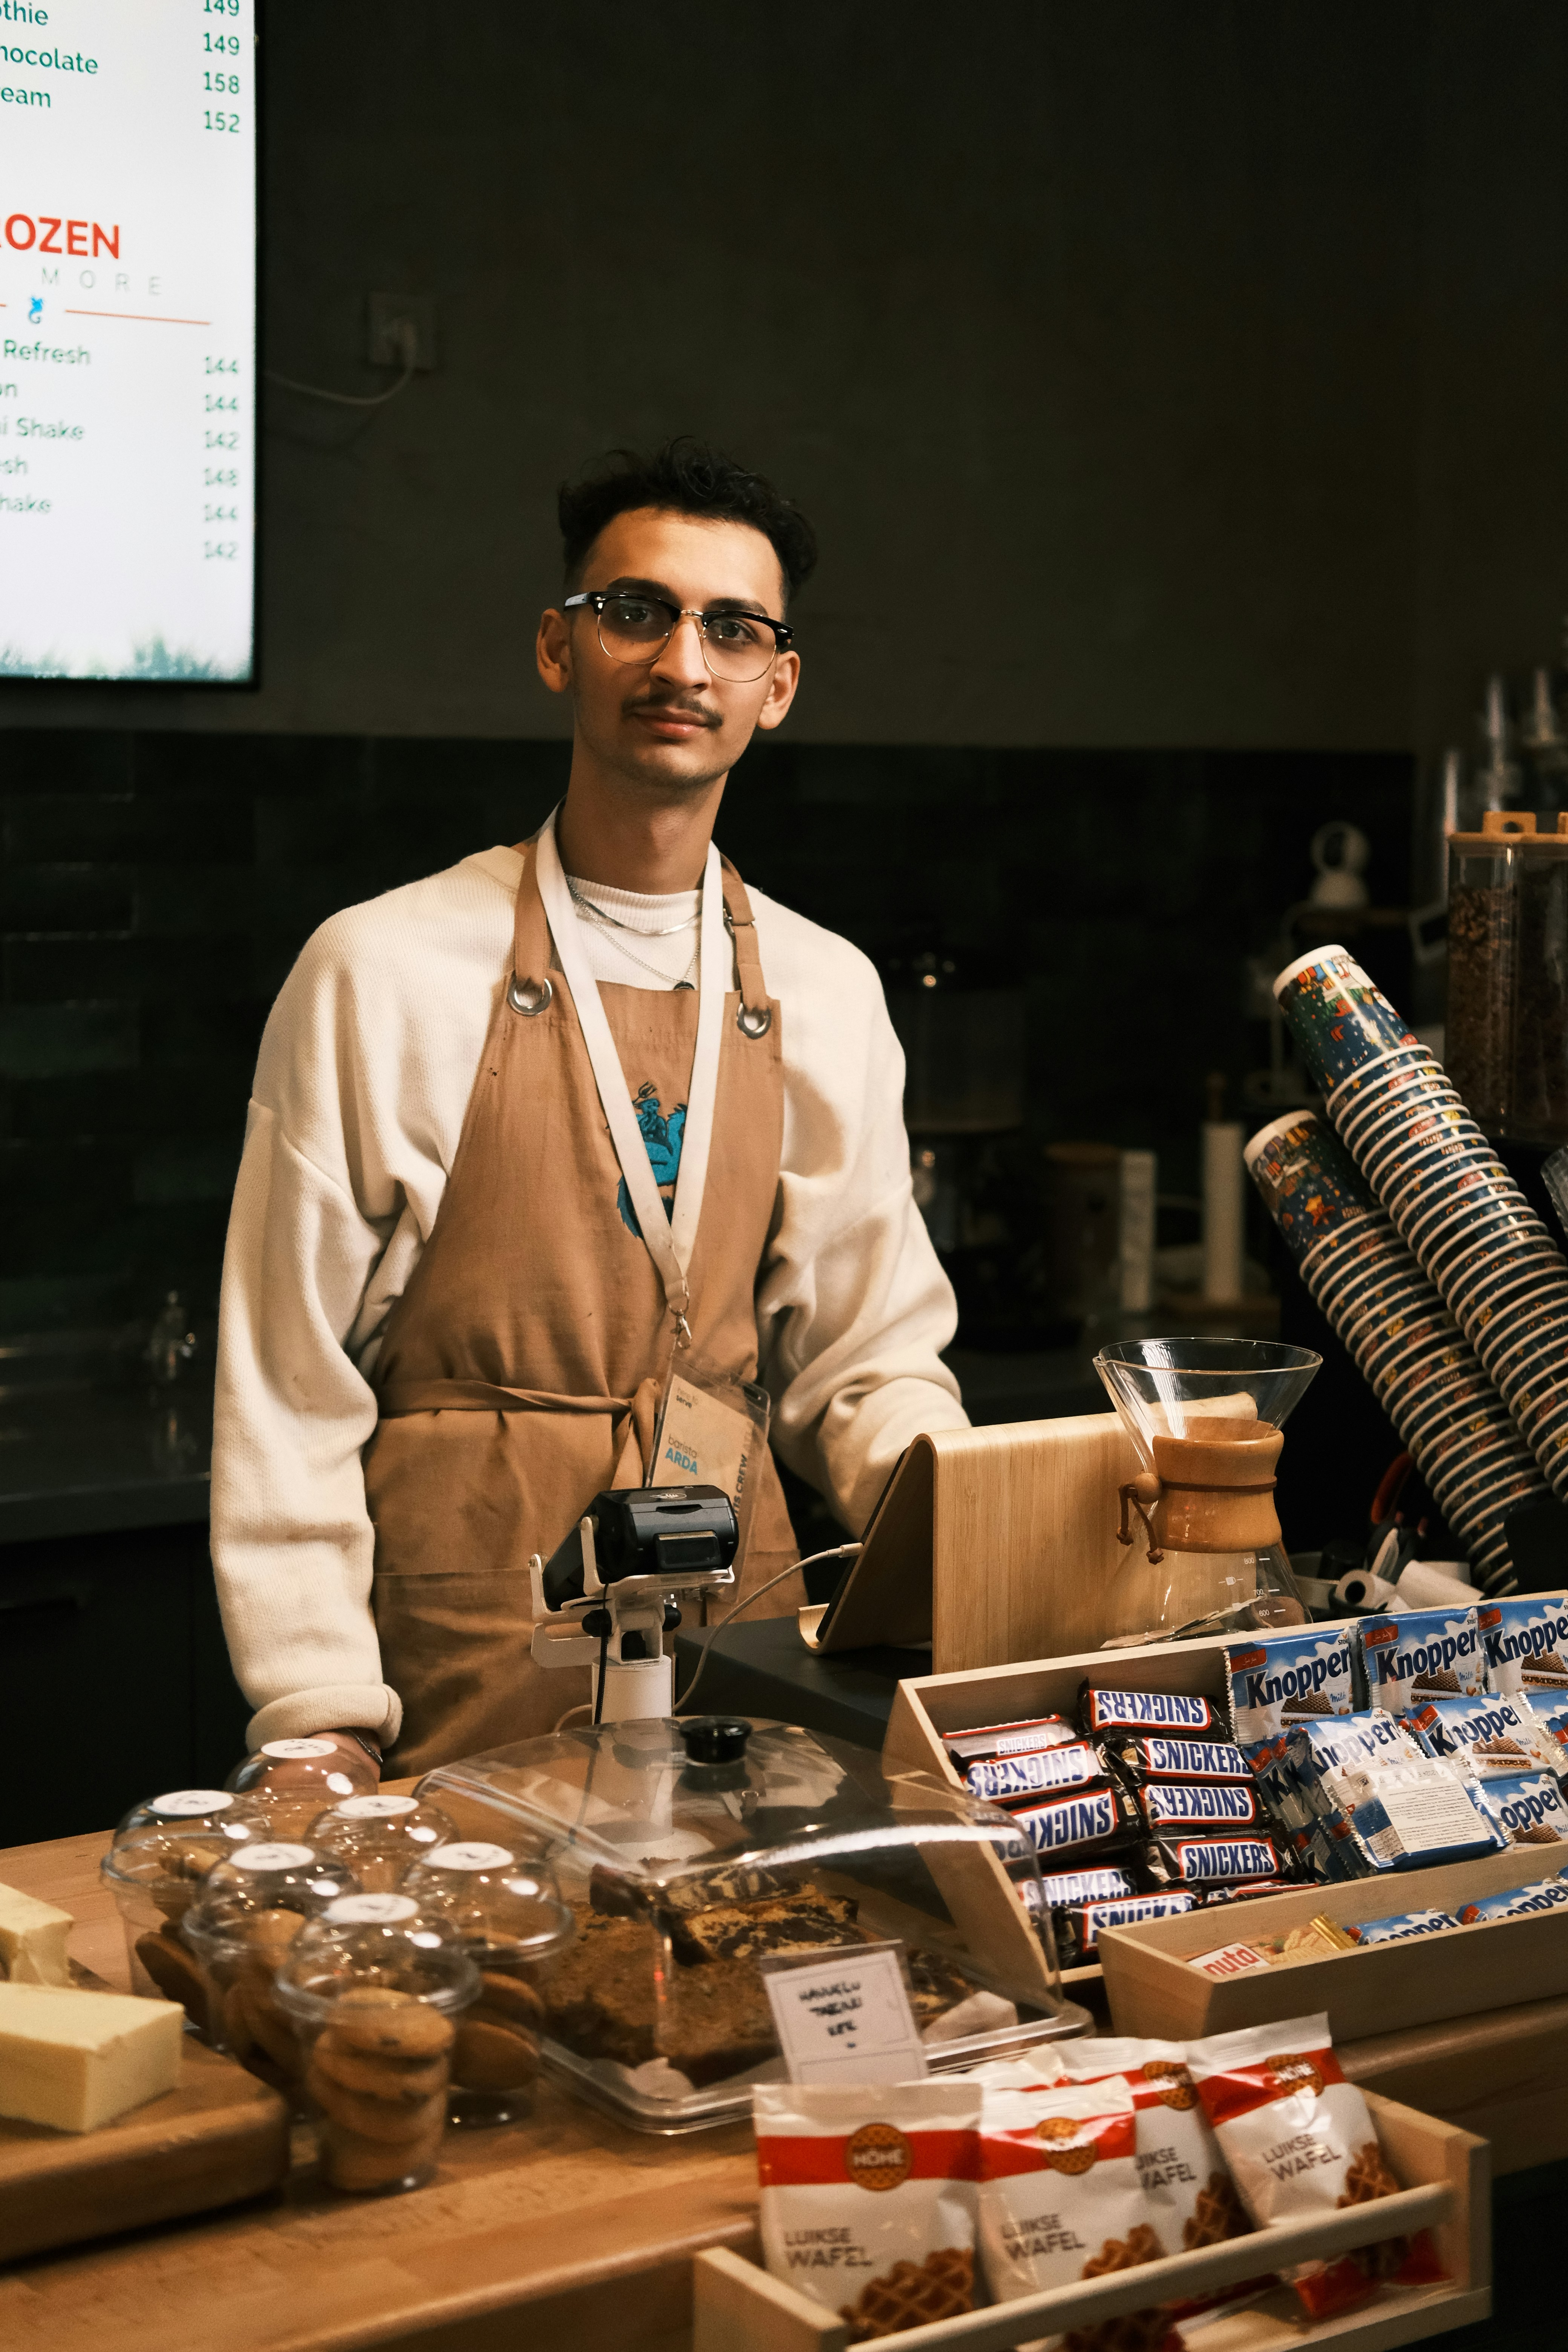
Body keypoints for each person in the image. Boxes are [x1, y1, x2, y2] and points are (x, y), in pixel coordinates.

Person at [211, 439, 969, 1778]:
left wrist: (983, 1550)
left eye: (730, 629)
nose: (683, 663)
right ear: (561, 648)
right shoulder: (380, 969)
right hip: (469, 1618)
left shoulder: (826, 988)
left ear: (776, 686)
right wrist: (312, 1707)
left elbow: (867, 1362)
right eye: (638, 612)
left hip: (741, 1626)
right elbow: (287, 1382)